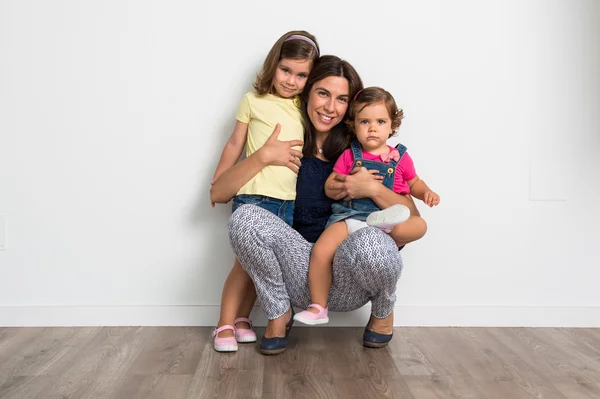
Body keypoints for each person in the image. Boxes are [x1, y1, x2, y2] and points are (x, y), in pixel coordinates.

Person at [211, 55, 427, 355]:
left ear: (351, 107)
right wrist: (262, 156)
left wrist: (371, 187)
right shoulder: (285, 139)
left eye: (341, 99)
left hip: (352, 273)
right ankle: (278, 313)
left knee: (371, 239)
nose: (330, 107)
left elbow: (413, 221)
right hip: (298, 273)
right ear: (306, 92)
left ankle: (382, 312)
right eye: (323, 93)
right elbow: (219, 194)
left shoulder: (364, 151)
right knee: (245, 217)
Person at [210, 30, 319, 352]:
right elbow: (234, 143)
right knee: (242, 263)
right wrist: (220, 177)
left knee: (262, 263)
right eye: (286, 70)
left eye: (301, 75)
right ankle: (224, 325)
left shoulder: (304, 107)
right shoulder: (252, 101)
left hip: (288, 202)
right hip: (253, 194)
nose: (291, 80)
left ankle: (243, 318)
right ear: (273, 65)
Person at [294, 87, 440, 326]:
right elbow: (329, 185)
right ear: (353, 125)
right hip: (349, 217)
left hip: (384, 220)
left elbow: (414, 182)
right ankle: (318, 306)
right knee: (320, 251)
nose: (372, 128)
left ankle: (385, 229)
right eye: (365, 121)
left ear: (392, 126)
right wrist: (345, 182)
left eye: (380, 121)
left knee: (419, 225)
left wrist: (426, 193)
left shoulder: (400, 158)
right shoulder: (350, 155)